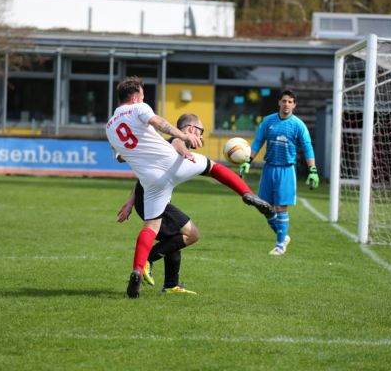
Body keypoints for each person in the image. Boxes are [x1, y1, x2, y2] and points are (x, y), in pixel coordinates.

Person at [106, 77, 274, 298]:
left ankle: (138, 269)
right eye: (143, 95)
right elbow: (160, 124)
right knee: (213, 168)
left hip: (150, 181)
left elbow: (120, 157)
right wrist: (183, 135)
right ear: (136, 96)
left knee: (151, 227)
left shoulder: (109, 127)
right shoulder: (139, 107)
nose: (144, 98)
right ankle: (247, 193)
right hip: (170, 164)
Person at [239, 90, 319, 255]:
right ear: (279, 103)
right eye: (284, 101)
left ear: (294, 105)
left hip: (286, 170)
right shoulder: (268, 121)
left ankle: (280, 245)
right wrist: (248, 161)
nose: (286, 104)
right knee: (264, 207)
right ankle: (284, 236)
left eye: (290, 102)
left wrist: (313, 170)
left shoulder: (298, 125)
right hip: (269, 168)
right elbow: (258, 142)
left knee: (281, 207)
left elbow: (307, 147)